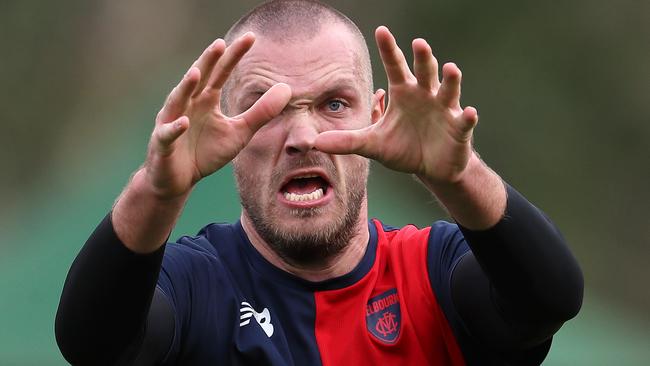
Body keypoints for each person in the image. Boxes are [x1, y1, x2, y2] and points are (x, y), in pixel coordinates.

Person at [55, 1, 583, 365]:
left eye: (334, 104)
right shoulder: (196, 284)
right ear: (223, 128)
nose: (303, 136)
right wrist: (157, 189)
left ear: (378, 116)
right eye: (269, 110)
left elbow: (549, 298)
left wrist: (458, 172)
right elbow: (93, 345)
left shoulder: (433, 273)